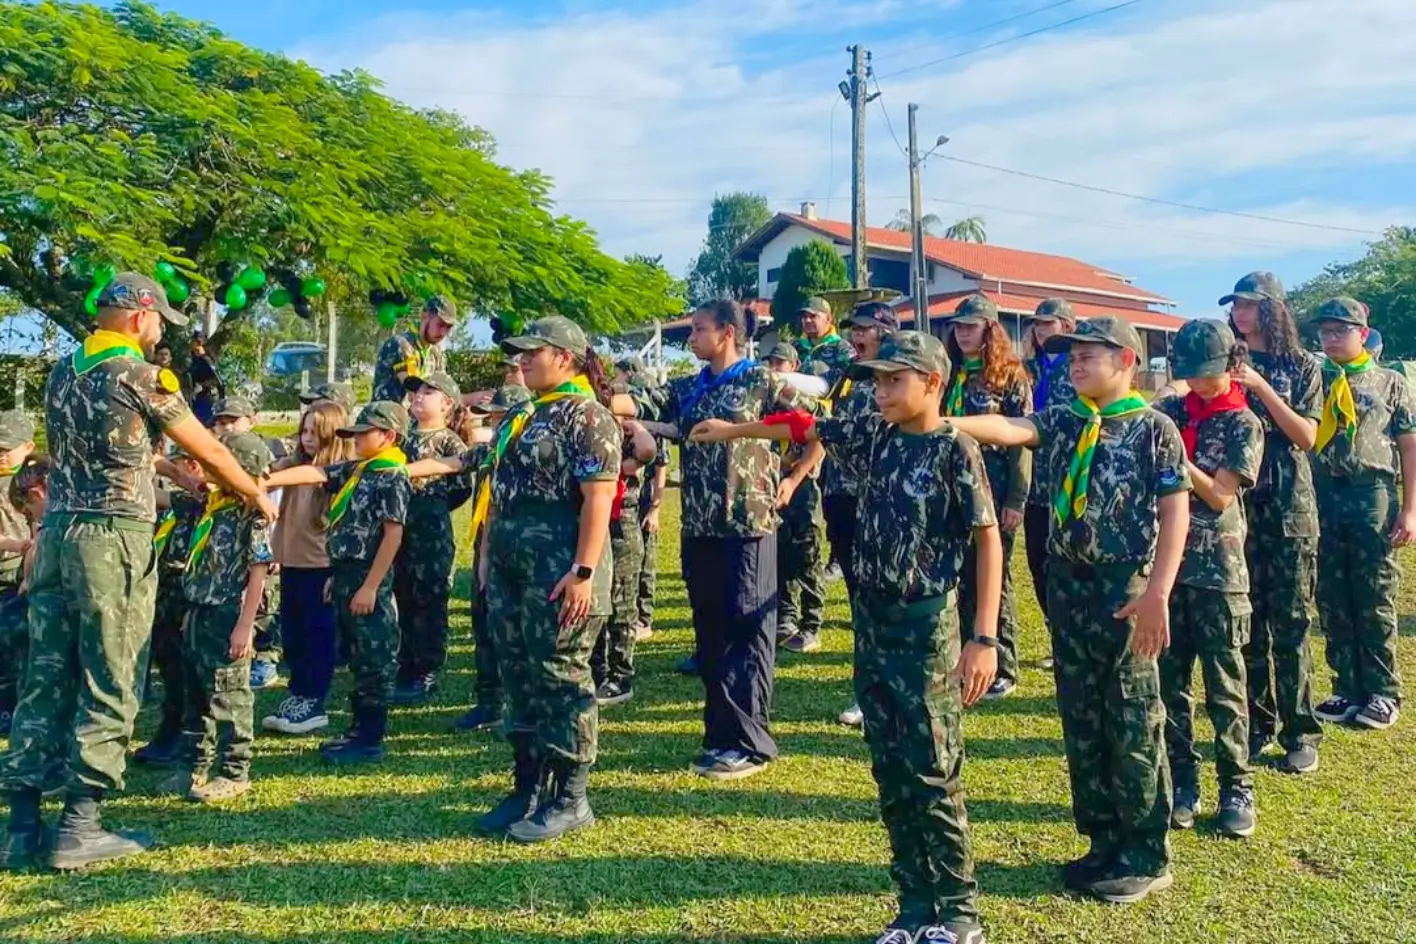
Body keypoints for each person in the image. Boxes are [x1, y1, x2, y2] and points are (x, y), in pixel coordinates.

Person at [689, 329, 1001, 944]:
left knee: (932, 771)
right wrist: (731, 433)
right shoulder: (875, 436)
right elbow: (801, 430)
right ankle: (913, 905)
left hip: (926, 627)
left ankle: (958, 913)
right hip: (875, 626)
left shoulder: (953, 449)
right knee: (889, 768)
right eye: (878, 380)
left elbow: (987, 537)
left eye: (894, 380)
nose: (880, 391)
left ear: (932, 383)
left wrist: (983, 637)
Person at [0, 272, 275, 871]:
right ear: (137, 315)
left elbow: (111, 445)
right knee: (112, 674)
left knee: (45, 676)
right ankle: (80, 824)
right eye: (158, 322)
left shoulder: (63, 371)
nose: (159, 335)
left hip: (56, 536)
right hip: (111, 540)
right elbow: (211, 448)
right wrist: (255, 492)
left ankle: (21, 825)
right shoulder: (143, 377)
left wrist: (168, 471)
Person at [945, 316, 1190, 904]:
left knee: (1131, 717)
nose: (1075, 364)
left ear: (1127, 361)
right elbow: (1009, 427)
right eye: (1072, 356)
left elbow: (1177, 511)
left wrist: (1157, 593)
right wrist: (947, 421)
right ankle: (1103, 839)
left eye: (1089, 356)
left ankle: (1145, 850)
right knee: (1082, 718)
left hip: (1125, 588)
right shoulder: (1065, 419)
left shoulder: (1154, 428)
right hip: (1069, 587)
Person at [411, 316, 621, 842]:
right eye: (521, 353)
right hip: (511, 571)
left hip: (560, 573)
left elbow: (599, 496)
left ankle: (571, 796)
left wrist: (583, 570)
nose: (522, 360)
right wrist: (486, 557)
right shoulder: (524, 417)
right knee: (519, 677)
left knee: (561, 678)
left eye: (534, 352)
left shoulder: (587, 416)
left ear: (566, 358)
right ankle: (527, 787)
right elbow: (478, 469)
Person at [632, 300, 817, 782]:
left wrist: (794, 479)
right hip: (700, 525)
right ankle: (720, 735)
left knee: (746, 631)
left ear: (728, 333)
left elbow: (811, 427)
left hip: (748, 522)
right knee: (711, 632)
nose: (691, 338)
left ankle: (751, 742)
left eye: (699, 330)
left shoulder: (760, 380)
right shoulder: (692, 385)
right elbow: (657, 413)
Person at [1152, 320, 1264, 839]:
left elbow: (1220, 497)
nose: (1198, 384)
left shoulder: (1243, 422)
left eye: (1208, 374)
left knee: (1225, 685)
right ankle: (1182, 779)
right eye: (1190, 375)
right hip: (1170, 572)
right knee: (1171, 685)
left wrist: (1178, 453)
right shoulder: (1172, 411)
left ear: (1230, 366)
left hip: (1219, 572)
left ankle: (1235, 784)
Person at [262, 402, 411, 764]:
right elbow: (315, 475)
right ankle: (358, 731)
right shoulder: (361, 470)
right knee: (359, 655)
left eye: (364, 433)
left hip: (367, 579)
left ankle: (370, 739)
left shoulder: (391, 475)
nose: (356, 440)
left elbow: (393, 536)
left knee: (374, 657)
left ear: (389, 436)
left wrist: (370, 586)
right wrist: (263, 481)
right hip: (346, 575)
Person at [1222, 272, 1324, 773]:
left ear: (1274, 310)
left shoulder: (1302, 366)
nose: (1241, 313)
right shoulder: (1227, 364)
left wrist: (1260, 387)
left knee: (1291, 626)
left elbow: (1306, 436)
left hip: (1289, 511)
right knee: (1249, 626)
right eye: (1236, 305)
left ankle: (1300, 730)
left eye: (1250, 305)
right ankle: (1259, 723)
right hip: (1239, 509)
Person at [1309, 297, 1415, 731]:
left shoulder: (1390, 381)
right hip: (1323, 492)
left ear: (1362, 333)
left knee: (1373, 593)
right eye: (1325, 332)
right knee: (1332, 593)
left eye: (1340, 331)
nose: (1332, 339)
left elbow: (1409, 446)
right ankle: (1347, 687)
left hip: (1372, 492)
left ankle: (1382, 692)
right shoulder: (1315, 379)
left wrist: (1410, 509)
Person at [163, 432, 274, 803]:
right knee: (196, 694)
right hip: (198, 611)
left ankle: (234, 770)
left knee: (228, 696)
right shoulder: (211, 504)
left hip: (227, 614)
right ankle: (195, 765)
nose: (210, 468)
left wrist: (245, 626)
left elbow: (258, 572)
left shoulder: (251, 513)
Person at [942, 295, 1032, 700]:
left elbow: (1022, 443)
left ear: (990, 330)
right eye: (958, 326)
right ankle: (966, 657)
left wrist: (1017, 499)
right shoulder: (949, 373)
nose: (962, 333)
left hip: (994, 488)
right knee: (961, 575)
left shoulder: (1011, 376)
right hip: (954, 488)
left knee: (996, 578)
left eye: (971, 326)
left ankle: (1003, 664)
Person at [262, 400, 354, 735]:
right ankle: (298, 691)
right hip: (291, 563)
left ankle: (314, 699)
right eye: (304, 431)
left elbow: (308, 475)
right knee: (293, 633)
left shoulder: (338, 468)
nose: (307, 438)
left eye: (316, 432)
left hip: (320, 566)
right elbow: (272, 471)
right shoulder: (295, 461)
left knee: (318, 635)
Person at [827, 302, 897, 729]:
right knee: (860, 601)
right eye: (854, 329)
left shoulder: (893, 380)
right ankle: (869, 691)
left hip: (879, 500)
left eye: (866, 328)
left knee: (882, 600)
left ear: (887, 331)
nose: (857, 335)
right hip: (840, 495)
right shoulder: (849, 375)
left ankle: (885, 695)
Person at [448, 384, 533, 733]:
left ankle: (521, 709)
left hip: (522, 554)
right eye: (492, 418)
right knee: (484, 627)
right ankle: (489, 703)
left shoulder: (531, 456)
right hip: (488, 548)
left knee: (521, 636)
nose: (495, 425)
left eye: (501, 418)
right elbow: (452, 462)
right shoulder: (490, 452)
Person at [392, 371, 468, 705]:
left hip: (432, 529)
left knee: (430, 598)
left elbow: (462, 485)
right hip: (400, 527)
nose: (418, 396)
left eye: (427, 391)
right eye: (416, 391)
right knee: (404, 595)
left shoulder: (449, 441)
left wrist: (434, 505)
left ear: (447, 403)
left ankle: (427, 667)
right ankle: (405, 662)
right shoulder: (402, 439)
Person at [132, 446, 208, 766]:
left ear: (192, 465)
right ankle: (171, 726)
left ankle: (186, 733)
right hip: (166, 593)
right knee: (168, 663)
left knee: (185, 669)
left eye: (178, 466)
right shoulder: (180, 501)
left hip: (188, 595)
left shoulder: (199, 498)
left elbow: (149, 495)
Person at [1023, 299, 1077, 671]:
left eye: (1049, 323)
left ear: (1068, 327)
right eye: (1038, 325)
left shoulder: (1076, 370)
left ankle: (1069, 640)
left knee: (1066, 567)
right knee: (1038, 565)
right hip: (1034, 483)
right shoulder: (1028, 369)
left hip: (1068, 484)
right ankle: (1055, 635)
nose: (1042, 331)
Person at [762, 343, 827, 655]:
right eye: (771, 362)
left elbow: (819, 443)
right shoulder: (769, 404)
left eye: (781, 362)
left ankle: (811, 623)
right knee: (779, 555)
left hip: (802, 490)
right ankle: (785, 620)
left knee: (806, 557)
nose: (775, 367)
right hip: (772, 488)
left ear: (795, 365)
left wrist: (793, 474)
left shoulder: (809, 402)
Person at [0, 412, 36, 740]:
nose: (0, 455)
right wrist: (15, 544)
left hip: (19, 579)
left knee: (16, 648)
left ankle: (12, 709)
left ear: (27, 447)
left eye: (5, 449)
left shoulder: (35, 481)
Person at [371, 295, 455, 403]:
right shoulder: (401, 344)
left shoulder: (437, 354)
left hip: (413, 417)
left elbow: (444, 391)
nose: (443, 333)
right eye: (440, 325)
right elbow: (413, 389)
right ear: (424, 316)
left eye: (448, 327)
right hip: (385, 417)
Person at [186, 335, 224, 429]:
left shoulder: (206, 360)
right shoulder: (194, 361)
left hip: (207, 398)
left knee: (204, 425)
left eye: (193, 342)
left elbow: (218, 380)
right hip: (197, 398)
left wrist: (202, 385)